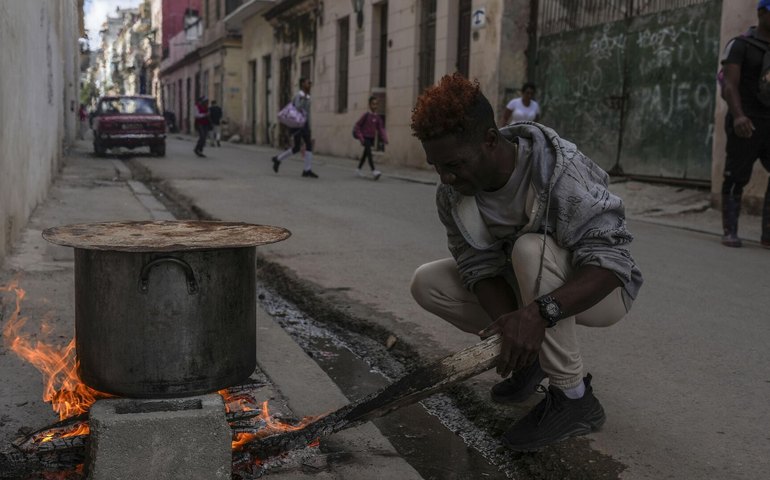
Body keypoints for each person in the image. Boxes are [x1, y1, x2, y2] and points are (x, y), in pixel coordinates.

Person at [409, 73, 643, 451]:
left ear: (489, 140)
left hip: (600, 294)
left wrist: (536, 315)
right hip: (532, 292)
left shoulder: (558, 171)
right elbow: (476, 266)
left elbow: (612, 262)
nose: (446, 177)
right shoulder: (452, 194)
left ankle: (574, 397)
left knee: (530, 249)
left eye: (453, 164)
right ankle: (531, 357)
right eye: (437, 167)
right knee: (427, 282)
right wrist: (515, 330)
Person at [719, 0, 770, 248]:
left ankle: (768, 234)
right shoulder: (741, 45)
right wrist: (738, 115)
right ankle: (730, 230)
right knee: (737, 176)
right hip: (745, 120)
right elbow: (729, 84)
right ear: (761, 13)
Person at [271, 78, 318, 178]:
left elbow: (307, 113)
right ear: (302, 84)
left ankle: (279, 159)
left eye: (310, 83)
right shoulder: (299, 95)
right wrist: (304, 98)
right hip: (298, 125)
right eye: (307, 82)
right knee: (304, 145)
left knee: (301, 147)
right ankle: (306, 170)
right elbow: (297, 108)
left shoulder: (307, 96)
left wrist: (309, 125)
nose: (309, 84)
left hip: (304, 124)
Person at [353, 96, 389, 180]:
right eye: (373, 104)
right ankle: (374, 171)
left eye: (376, 104)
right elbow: (357, 126)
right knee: (369, 154)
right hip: (365, 138)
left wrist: (385, 138)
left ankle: (358, 169)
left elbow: (381, 129)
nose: (375, 106)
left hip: (371, 138)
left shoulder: (377, 117)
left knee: (365, 154)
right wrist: (361, 138)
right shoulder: (366, 115)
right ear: (369, 105)